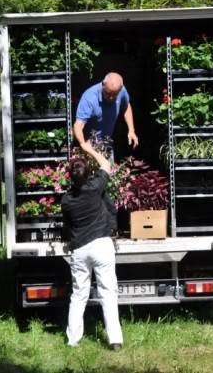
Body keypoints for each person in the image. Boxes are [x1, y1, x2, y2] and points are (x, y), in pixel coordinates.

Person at [61, 141, 123, 350]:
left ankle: (72, 340)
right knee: (108, 292)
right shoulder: (96, 188)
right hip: (101, 245)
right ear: (88, 174)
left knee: (79, 295)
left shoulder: (67, 200)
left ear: (71, 177)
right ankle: (115, 340)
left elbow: (67, 227)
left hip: (80, 249)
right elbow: (106, 164)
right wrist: (88, 148)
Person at [73, 72, 139, 155]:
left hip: (107, 142)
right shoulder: (89, 98)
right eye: (108, 94)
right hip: (88, 143)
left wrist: (131, 130)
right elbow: (78, 126)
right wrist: (83, 144)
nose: (111, 98)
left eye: (114, 95)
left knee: (111, 167)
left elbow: (126, 106)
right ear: (103, 85)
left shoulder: (121, 91)